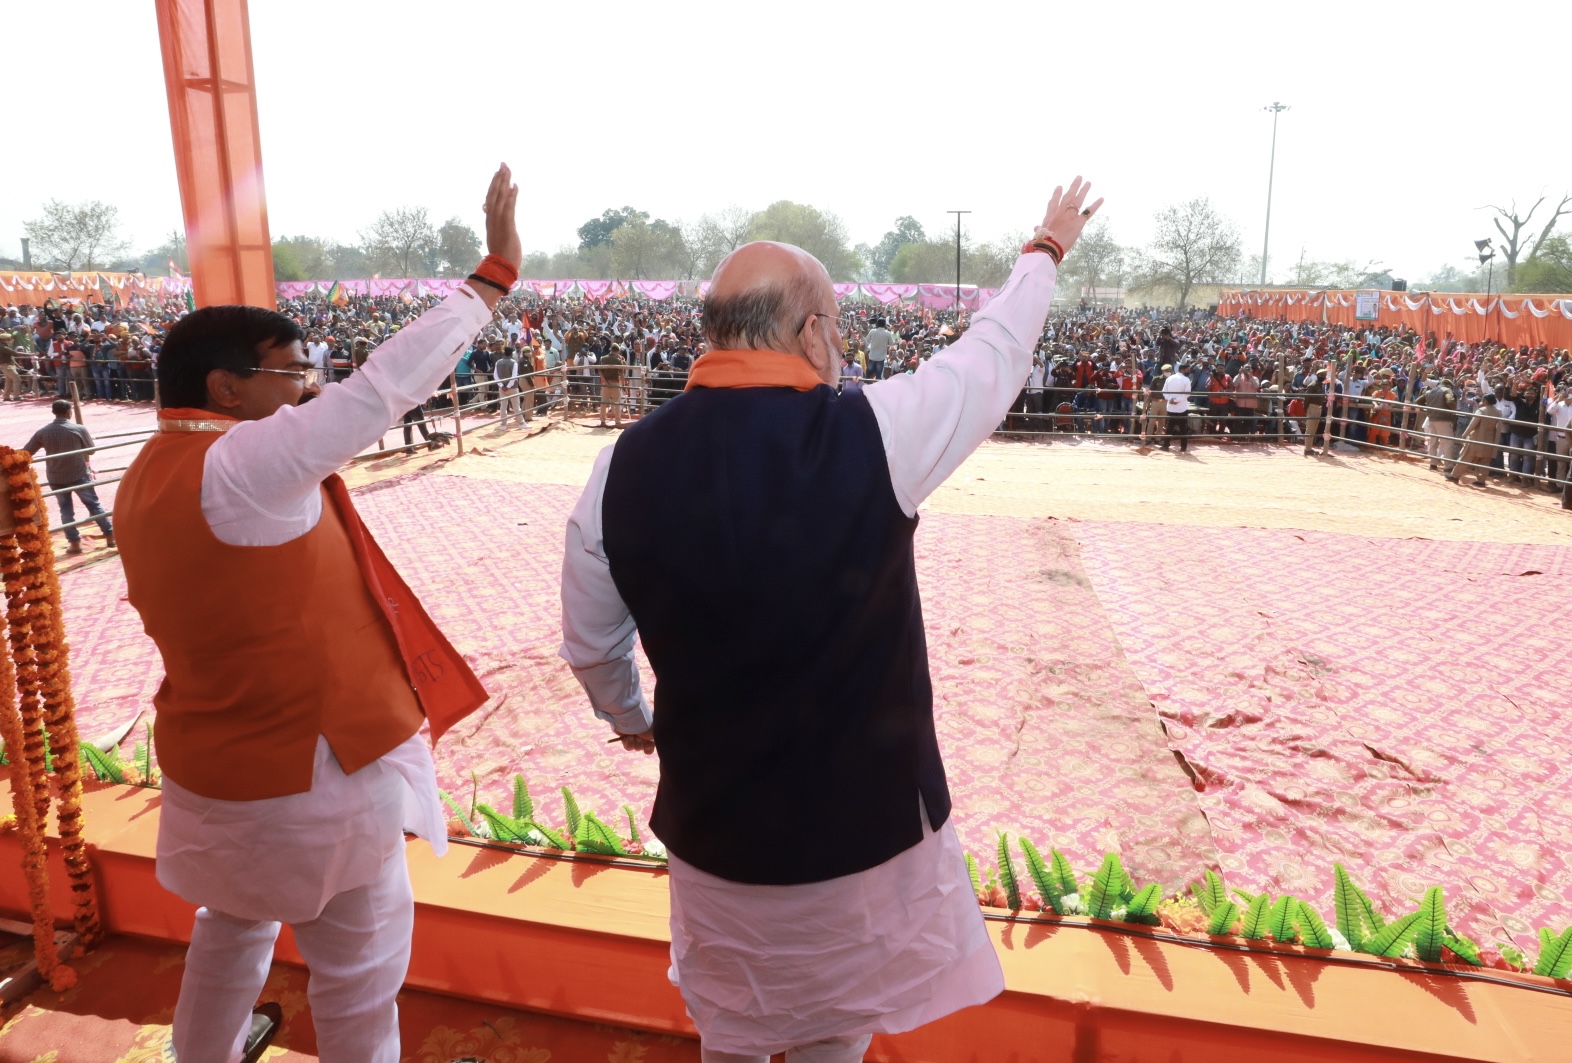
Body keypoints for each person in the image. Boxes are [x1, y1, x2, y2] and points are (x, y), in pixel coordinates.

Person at [560, 178, 1101, 1063]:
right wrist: (1044, 250)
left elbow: (590, 643)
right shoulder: (876, 432)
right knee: (835, 1038)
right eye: (837, 326)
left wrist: (632, 721)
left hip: (716, 838)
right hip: (862, 840)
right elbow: (992, 357)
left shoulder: (621, 466)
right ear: (810, 332)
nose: (842, 344)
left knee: (731, 1036)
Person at [112, 164, 518, 1063]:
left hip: (219, 765)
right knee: (361, 967)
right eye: (292, 372)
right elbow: (381, 391)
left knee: (232, 930)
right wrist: (489, 281)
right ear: (225, 387)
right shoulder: (244, 466)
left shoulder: (146, 472)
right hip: (314, 776)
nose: (306, 387)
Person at [22, 399, 116, 556]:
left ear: (54, 412)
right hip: (79, 474)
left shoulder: (43, 432)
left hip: (56, 476)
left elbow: (26, 452)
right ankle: (110, 536)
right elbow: (91, 450)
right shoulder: (78, 429)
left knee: (66, 510)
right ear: (68, 412)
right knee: (93, 505)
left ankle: (74, 543)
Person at [1447, 387, 1502, 487]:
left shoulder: (1481, 410)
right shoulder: (1498, 412)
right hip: (1490, 440)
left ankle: (1454, 475)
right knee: (1484, 461)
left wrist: (1464, 435)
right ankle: (1481, 480)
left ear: (1485, 401)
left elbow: (1473, 424)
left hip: (1476, 438)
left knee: (1465, 458)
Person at [1161, 361, 1192, 452]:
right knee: (1183, 428)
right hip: (1181, 407)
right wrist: (1177, 400)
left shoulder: (1169, 378)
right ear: (1182, 370)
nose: (1189, 371)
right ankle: (1183, 447)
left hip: (1171, 407)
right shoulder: (1186, 380)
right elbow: (1187, 393)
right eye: (1187, 370)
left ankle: (1166, 446)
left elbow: (1164, 392)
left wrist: (1171, 399)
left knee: (1169, 427)